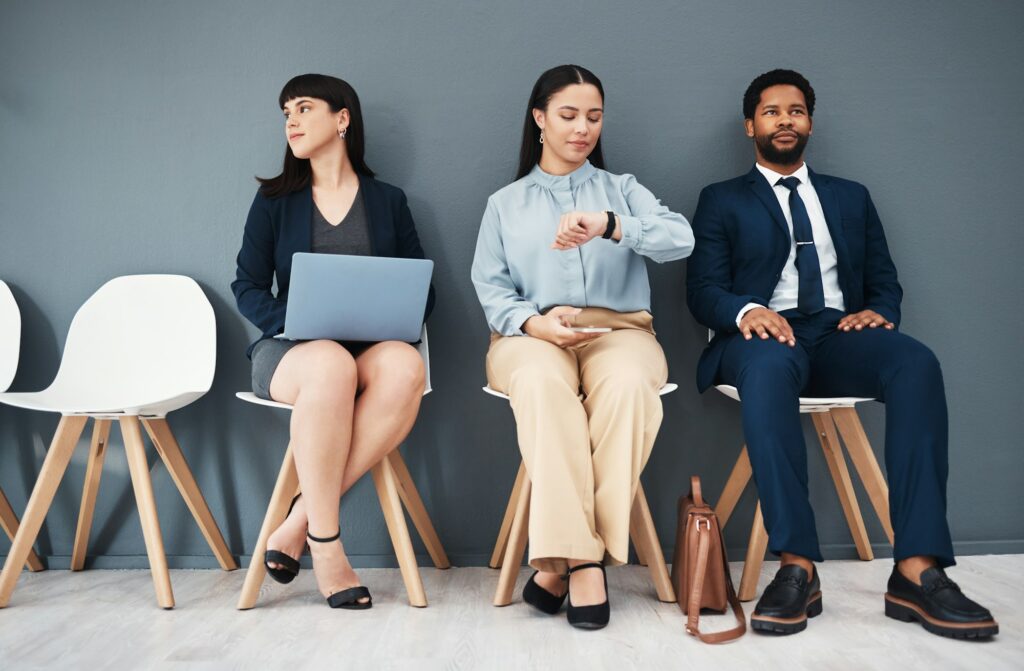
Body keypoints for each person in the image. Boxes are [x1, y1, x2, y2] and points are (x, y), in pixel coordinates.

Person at [686, 69, 997, 638]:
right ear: (750, 124)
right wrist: (746, 311)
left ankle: (916, 568)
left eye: (797, 110)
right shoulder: (722, 199)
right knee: (773, 368)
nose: (786, 119)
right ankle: (797, 566)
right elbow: (703, 290)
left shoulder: (850, 196)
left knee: (915, 362)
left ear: (810, 122)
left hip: (834, 335)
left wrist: (880, 310)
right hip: (755, 340)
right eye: (773, 110)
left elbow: (884, 279)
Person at [472, 64, 693, 630]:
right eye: (568, 115)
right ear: (539, 118)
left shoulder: (621, 189)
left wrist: (612, 224)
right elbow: (491, 288)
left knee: (627, 390)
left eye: (593, 117)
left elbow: (680, 238)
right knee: (545, 388)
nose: (582, 128)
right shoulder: (505, 203)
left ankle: (562, 563)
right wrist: (534, 324)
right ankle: (589, 561)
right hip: (530, 335)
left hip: (620, 332)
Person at [232, 73, 435, 609]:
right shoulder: (274, 201)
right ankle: (326, 545)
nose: (291, 121)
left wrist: (397, 311)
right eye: (285, 113)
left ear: (342, 118)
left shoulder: (389, 201)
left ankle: (298, 520)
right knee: (328, 366)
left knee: (406, 369)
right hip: (291, 353)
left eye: (303, 108)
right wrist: (295, 321)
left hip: (368, 348)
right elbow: (247, 286)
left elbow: (421, 287)